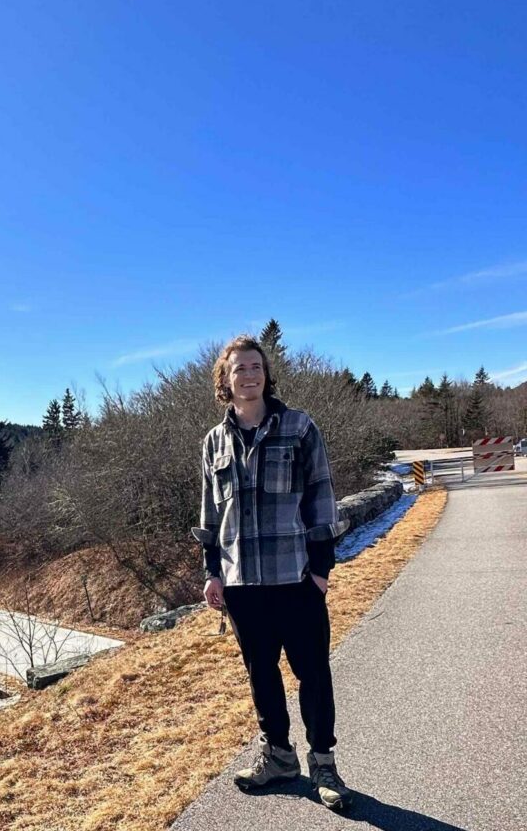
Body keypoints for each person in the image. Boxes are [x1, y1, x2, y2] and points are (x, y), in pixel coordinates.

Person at [191, 335, 354, 812]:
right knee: (262, 675)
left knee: (313, 674)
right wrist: (212, 573)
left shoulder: (300, 428)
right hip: (242, 585)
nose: (249, 375)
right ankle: (279, 757)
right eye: (239, 368)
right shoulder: (214, 442)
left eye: (256, 366)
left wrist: (321, 570)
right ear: (225, 379)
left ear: (266, 374)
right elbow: (208, 516)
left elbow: (322, 496)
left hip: (296, 580)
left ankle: (323, 764)